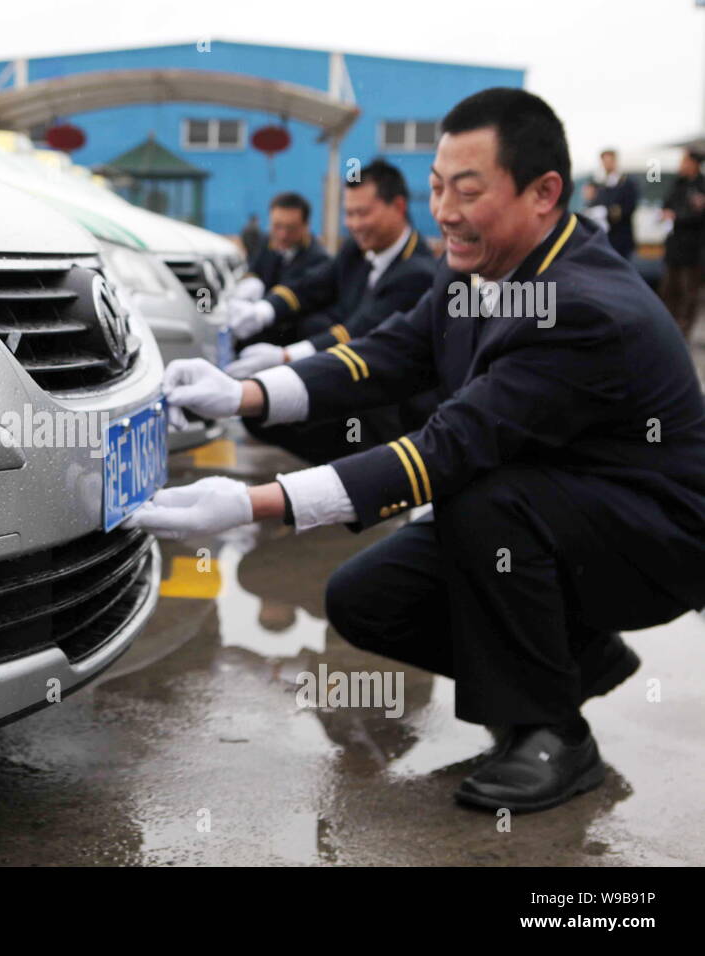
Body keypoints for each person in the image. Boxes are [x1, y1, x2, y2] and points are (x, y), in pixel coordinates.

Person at [132, 88, 705, 814]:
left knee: (481, 496)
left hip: (658, 538)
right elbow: (392, 351)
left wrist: (252, 503)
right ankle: (575, 660)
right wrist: (247, 394)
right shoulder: (474, 268)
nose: (446, 211)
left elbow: (450, 447)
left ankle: (550, 731)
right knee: (363, 599)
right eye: (437, 187)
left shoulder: (581, 306)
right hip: (564, 509)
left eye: (468, 191)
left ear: (543, 193)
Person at [226, 163, 438, 465]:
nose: (353, 223)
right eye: (348, 214)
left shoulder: (417, 272)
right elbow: (315, 285)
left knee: (277, 410)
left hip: (389, 407)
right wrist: (265, 309)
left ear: (399, 206)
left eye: (362, 213)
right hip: (351, 380)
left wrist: (284, 358)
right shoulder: (358, 249)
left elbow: (360, 332)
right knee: (263, 415)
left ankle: (366, 486)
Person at [233, 193, 332, 302]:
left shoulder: (319, 260)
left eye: (291, 228)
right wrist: (249, 282)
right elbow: (254, 268)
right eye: (277, 226)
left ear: (306, 225)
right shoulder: (265, 243)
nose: (283, 235)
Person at [659, 149, 705, 340]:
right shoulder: (678, 183)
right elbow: (666, 205)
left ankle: (683, 333)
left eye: (684, 161)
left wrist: (676, 217)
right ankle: (668, 329)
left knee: (689, 293)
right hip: (674, 247)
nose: (681, 165)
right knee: (669, 290)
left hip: (693, 249)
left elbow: (698, 216)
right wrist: (667, 213)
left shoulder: (701, 186)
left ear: (694, 163)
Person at [591, 149, 638, 259]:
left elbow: (629, 207)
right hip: (606, 236)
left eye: (609, 161)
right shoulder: (601, 184)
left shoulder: (626, 183)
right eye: (604, 162)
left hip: (622, 237)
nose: (606, 165)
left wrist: (610, 212)